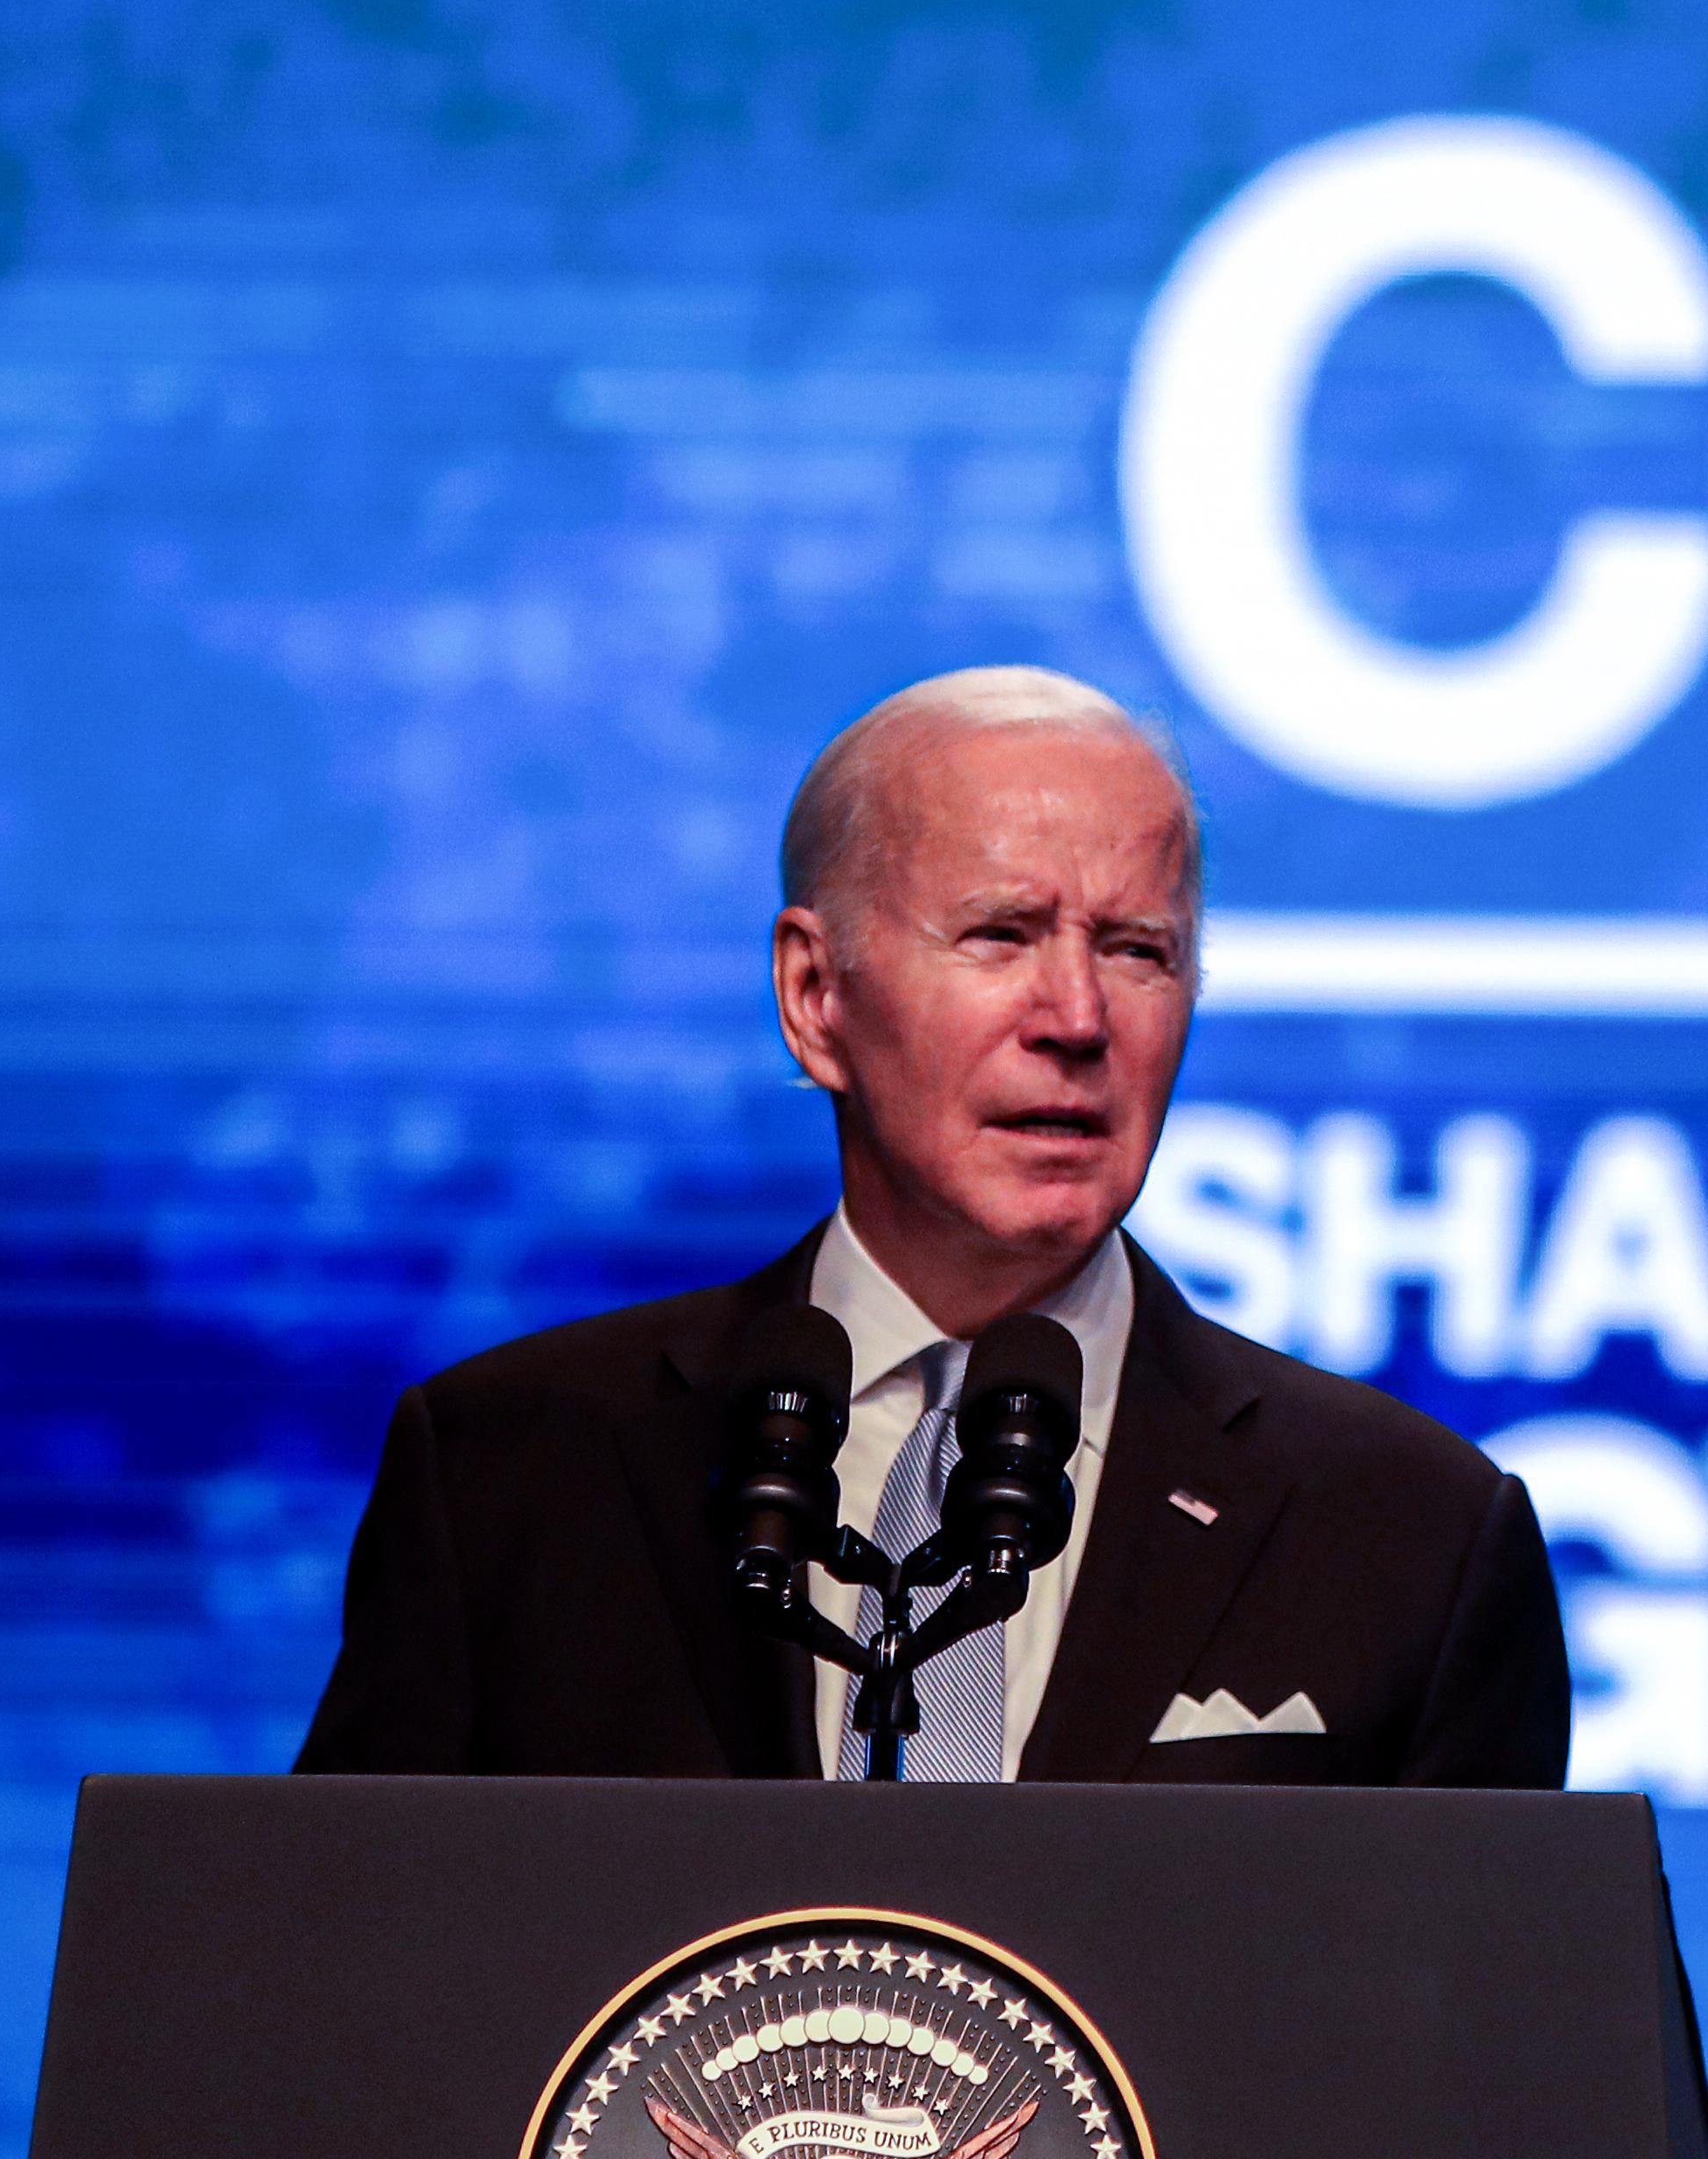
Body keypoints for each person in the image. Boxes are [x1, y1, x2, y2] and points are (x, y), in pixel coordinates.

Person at [295, 665, 1569, 1786]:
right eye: (1001, 936)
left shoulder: (1412, 1534)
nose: (1075, 1016)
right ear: (815, 995)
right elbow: (340, 1990)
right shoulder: (513, 1478)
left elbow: (1514, 2049)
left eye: (1137, 950)